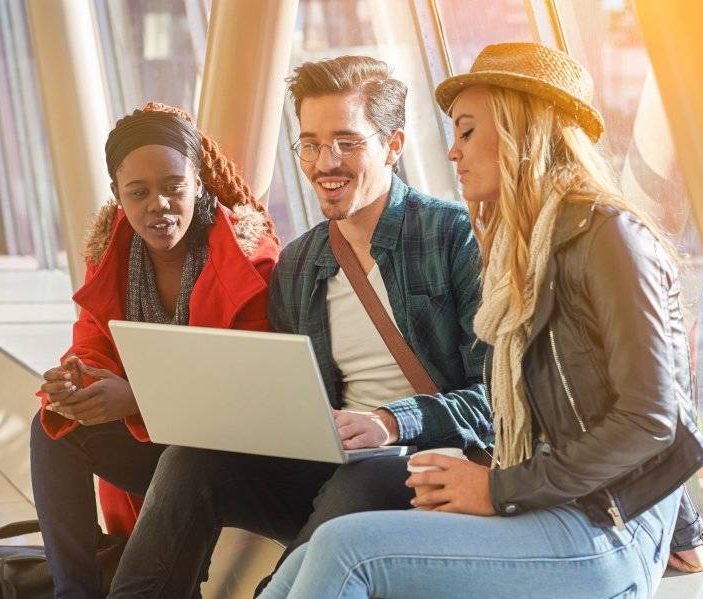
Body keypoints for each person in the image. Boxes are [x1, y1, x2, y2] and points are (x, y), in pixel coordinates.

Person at [258, 42, 703, 599]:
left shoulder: (608, 237)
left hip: (607, 528)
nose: (453, 153)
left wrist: (499, 490)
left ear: (523, 130)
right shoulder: (523, 252)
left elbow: (650, 420)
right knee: (301, 563)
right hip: (552, 506)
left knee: (345, 550)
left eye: (468, 131)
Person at [107, 56, 492, 598]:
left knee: (367, 473)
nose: (323, 163)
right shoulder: (299, 264)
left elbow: (498, 401)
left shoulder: (454, 237)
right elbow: (296, 407)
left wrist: (390, 422)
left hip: (434, 473)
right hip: (334, 472)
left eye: (347, 142)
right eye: (309, 144)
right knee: (191, 461)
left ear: (394, 145)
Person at [30, 102, 279, 599]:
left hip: (226, 452)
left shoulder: (251, 260)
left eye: (173, 187)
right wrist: (77, 381)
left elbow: (249, 391)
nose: (158, 205)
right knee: (50, 425)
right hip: (154, 438)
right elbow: (93, 342)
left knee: (187, 460)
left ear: (199, 185)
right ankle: (75, 591)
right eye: (138, 193)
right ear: (117, 197)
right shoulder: (111, 255)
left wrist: (138, 398)